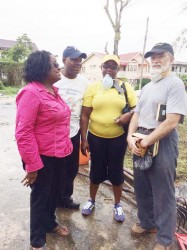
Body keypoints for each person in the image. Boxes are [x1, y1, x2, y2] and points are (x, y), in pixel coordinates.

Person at [127, 43, 187, 250]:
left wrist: (146, 140)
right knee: (141, 185)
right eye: (152, 57)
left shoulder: (175, 84)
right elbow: (136, 114)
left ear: (170, 58)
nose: (155, 60)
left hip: (162, 139)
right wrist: (130, 137)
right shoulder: (147, 87)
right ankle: (147, 223)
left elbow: (171, 121)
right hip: (140, 136)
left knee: (163, 190)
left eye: (160, 56)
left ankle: (164, 238)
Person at [15, 50, 73, 250]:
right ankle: (37, 241)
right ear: (42, 69)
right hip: (41, 157)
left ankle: (50, 223)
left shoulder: (54, 92)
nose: (59, 67)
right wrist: (32, 165)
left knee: (55, 194)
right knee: (41, 198)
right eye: (54, 64)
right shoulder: (31, 93)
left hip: (60, 154)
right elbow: (23, 132)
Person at [80, 54, 137, 222]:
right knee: (96, 170)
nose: (109, 70)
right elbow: (84, 115)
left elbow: (137, 109)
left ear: (118, 70)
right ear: (101, 68)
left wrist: (128, 115)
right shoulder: (93, 88)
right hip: (96, 138)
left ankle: (117, 205)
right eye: (106, 66)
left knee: (116, 171)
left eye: (113, 67)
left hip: (118, 139)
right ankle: (91, 201)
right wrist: (84, 139)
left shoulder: (125, 87)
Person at [54, 46, 89, 209]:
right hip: (54, 134)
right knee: (55, 170)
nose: (78, 63)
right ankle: (52, 199)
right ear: (63, 60)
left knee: (72, 169)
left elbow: (84, 114)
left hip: (73, 132)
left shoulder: (84, 83)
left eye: (80, 60)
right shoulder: (54, 77)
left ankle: (65, 198)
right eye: (74, 59)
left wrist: (84, 139)